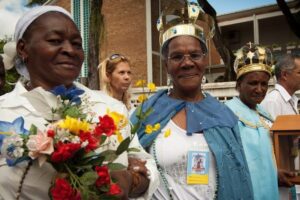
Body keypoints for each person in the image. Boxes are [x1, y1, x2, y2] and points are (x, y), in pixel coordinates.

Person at [0, 6, 158, 200]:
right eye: (55, 41)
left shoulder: (111, 108)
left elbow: (144, 164)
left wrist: (132, 181)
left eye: (76, 44)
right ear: (23, 48)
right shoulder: (4, 111)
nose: (69, 50)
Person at [131, 1, 253, 199]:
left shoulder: (224, 116)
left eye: (194, 55)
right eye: (177, 56)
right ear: (166, 64)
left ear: (204, 60)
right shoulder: (146, 113)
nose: (187, 63)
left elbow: (239, 178)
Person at [225, 43, 281, 200]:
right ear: (238, 85)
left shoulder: (265, 114)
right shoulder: (228, 115)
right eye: (253, 83)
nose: (260, 89)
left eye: (264, 84)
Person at [261, 54, 300, 199]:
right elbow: (270, 143)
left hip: (291, 173)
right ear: (284, 75)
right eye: (299, 73)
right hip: (279, 180)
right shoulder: (273, 101)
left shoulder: (290, 100)